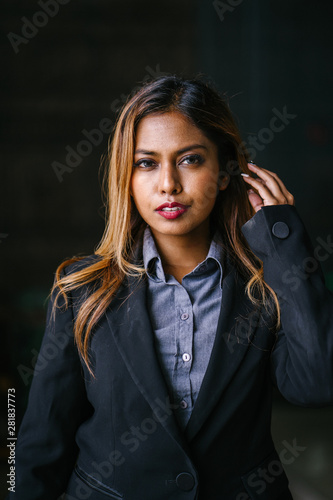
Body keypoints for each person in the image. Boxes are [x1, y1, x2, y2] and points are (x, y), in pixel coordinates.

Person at [10, 75, 333, 500]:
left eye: (190, 160)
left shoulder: (263, 287)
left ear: (223, 172)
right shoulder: (81, 293)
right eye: (146, 163)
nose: (168, 184)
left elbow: (316, 385)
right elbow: (36, 451)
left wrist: (286, 245)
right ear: (126, 176)